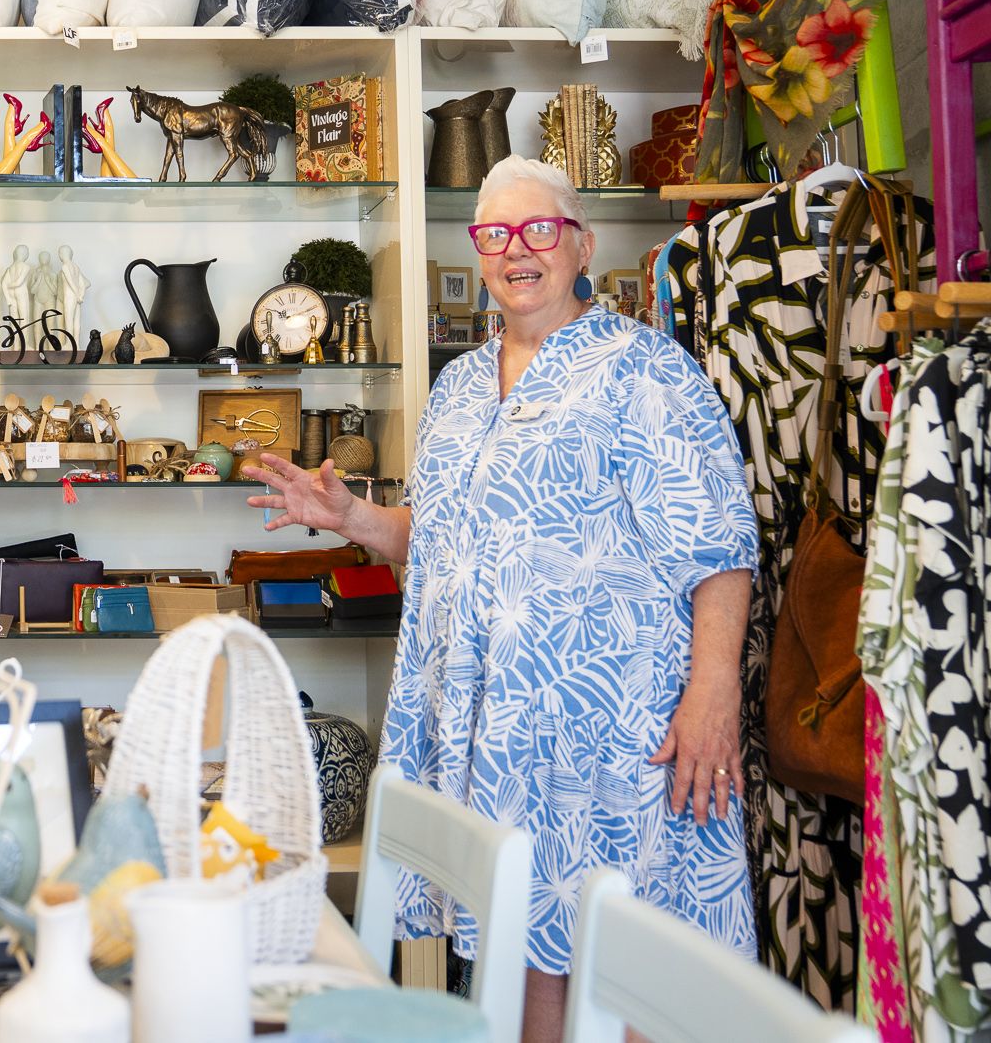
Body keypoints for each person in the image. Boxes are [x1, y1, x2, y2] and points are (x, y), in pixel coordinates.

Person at [246, 157, 759, 1042]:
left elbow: (718, 546)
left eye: (539, 230)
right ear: (478, 252)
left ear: (581, 245)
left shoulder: (647, 371)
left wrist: (716, 693)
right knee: (525, 955)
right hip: (498, 731)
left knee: (630, 959)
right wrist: (355, 516)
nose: (517, 250)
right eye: (495, 234)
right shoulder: (454, 389)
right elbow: (447, 541)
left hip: (618, 736)